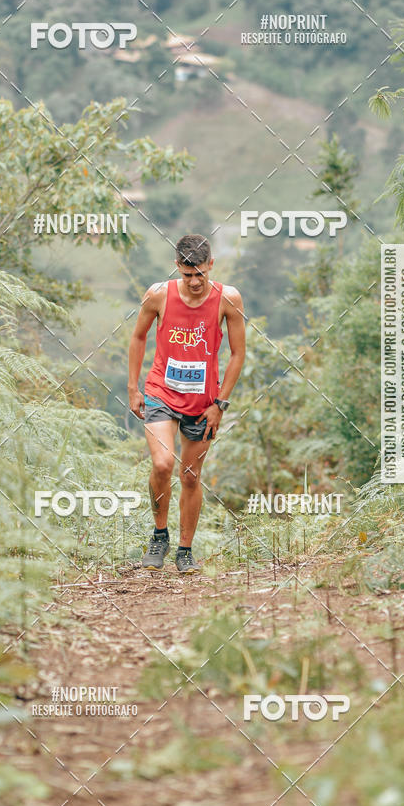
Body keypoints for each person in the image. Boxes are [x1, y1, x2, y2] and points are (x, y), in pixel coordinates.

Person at [128, 234, 246, 574]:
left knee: (191, 476)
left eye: (200, 274)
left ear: (211, 265)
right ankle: (159, 535)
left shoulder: (228, 299)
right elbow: (138, 337)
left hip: (203, 401)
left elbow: (238, 354)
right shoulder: (158, 295)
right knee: (163, 465)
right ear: (177, 267)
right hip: (160, 392)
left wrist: (220, 403)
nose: (194, 282)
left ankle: (185, 551)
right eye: (187, 274)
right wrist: (133, 388)